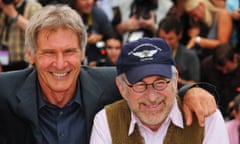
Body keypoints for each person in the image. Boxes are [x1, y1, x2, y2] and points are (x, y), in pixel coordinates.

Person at [0, 5, 219, 144]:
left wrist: (191, 92)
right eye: (48, 52)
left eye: (69, 51)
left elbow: (153, 86)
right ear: (31, 55)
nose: (60, 63)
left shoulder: (109, 82)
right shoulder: (5, 90)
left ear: (83, 52)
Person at [90, 37, 229, 144]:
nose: (151, 97)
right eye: (140, 85)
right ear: (121, 87)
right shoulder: (106, 120)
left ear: (175, 81)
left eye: (160, 82)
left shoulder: (206, 116)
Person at [157, 16, 200, 88]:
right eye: (163, 38)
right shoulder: (152, 53)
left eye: (170, 39)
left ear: (179, 35)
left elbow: (195, 84)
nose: (166, 43)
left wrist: (179, 80)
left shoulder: (190, 55)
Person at [0, 0, 41, 72]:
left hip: (25, 63)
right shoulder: (4, 7)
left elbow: (37, 31)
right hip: (4, 61)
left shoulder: (33, 7)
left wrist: (13, 14)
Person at [201, 43, 240, 118]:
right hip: (212, 111)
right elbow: (202, 88)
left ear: (235, 58)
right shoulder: (206, 66)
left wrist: (237, 103)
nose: (224, 72)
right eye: (220, 70)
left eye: (228, 69)